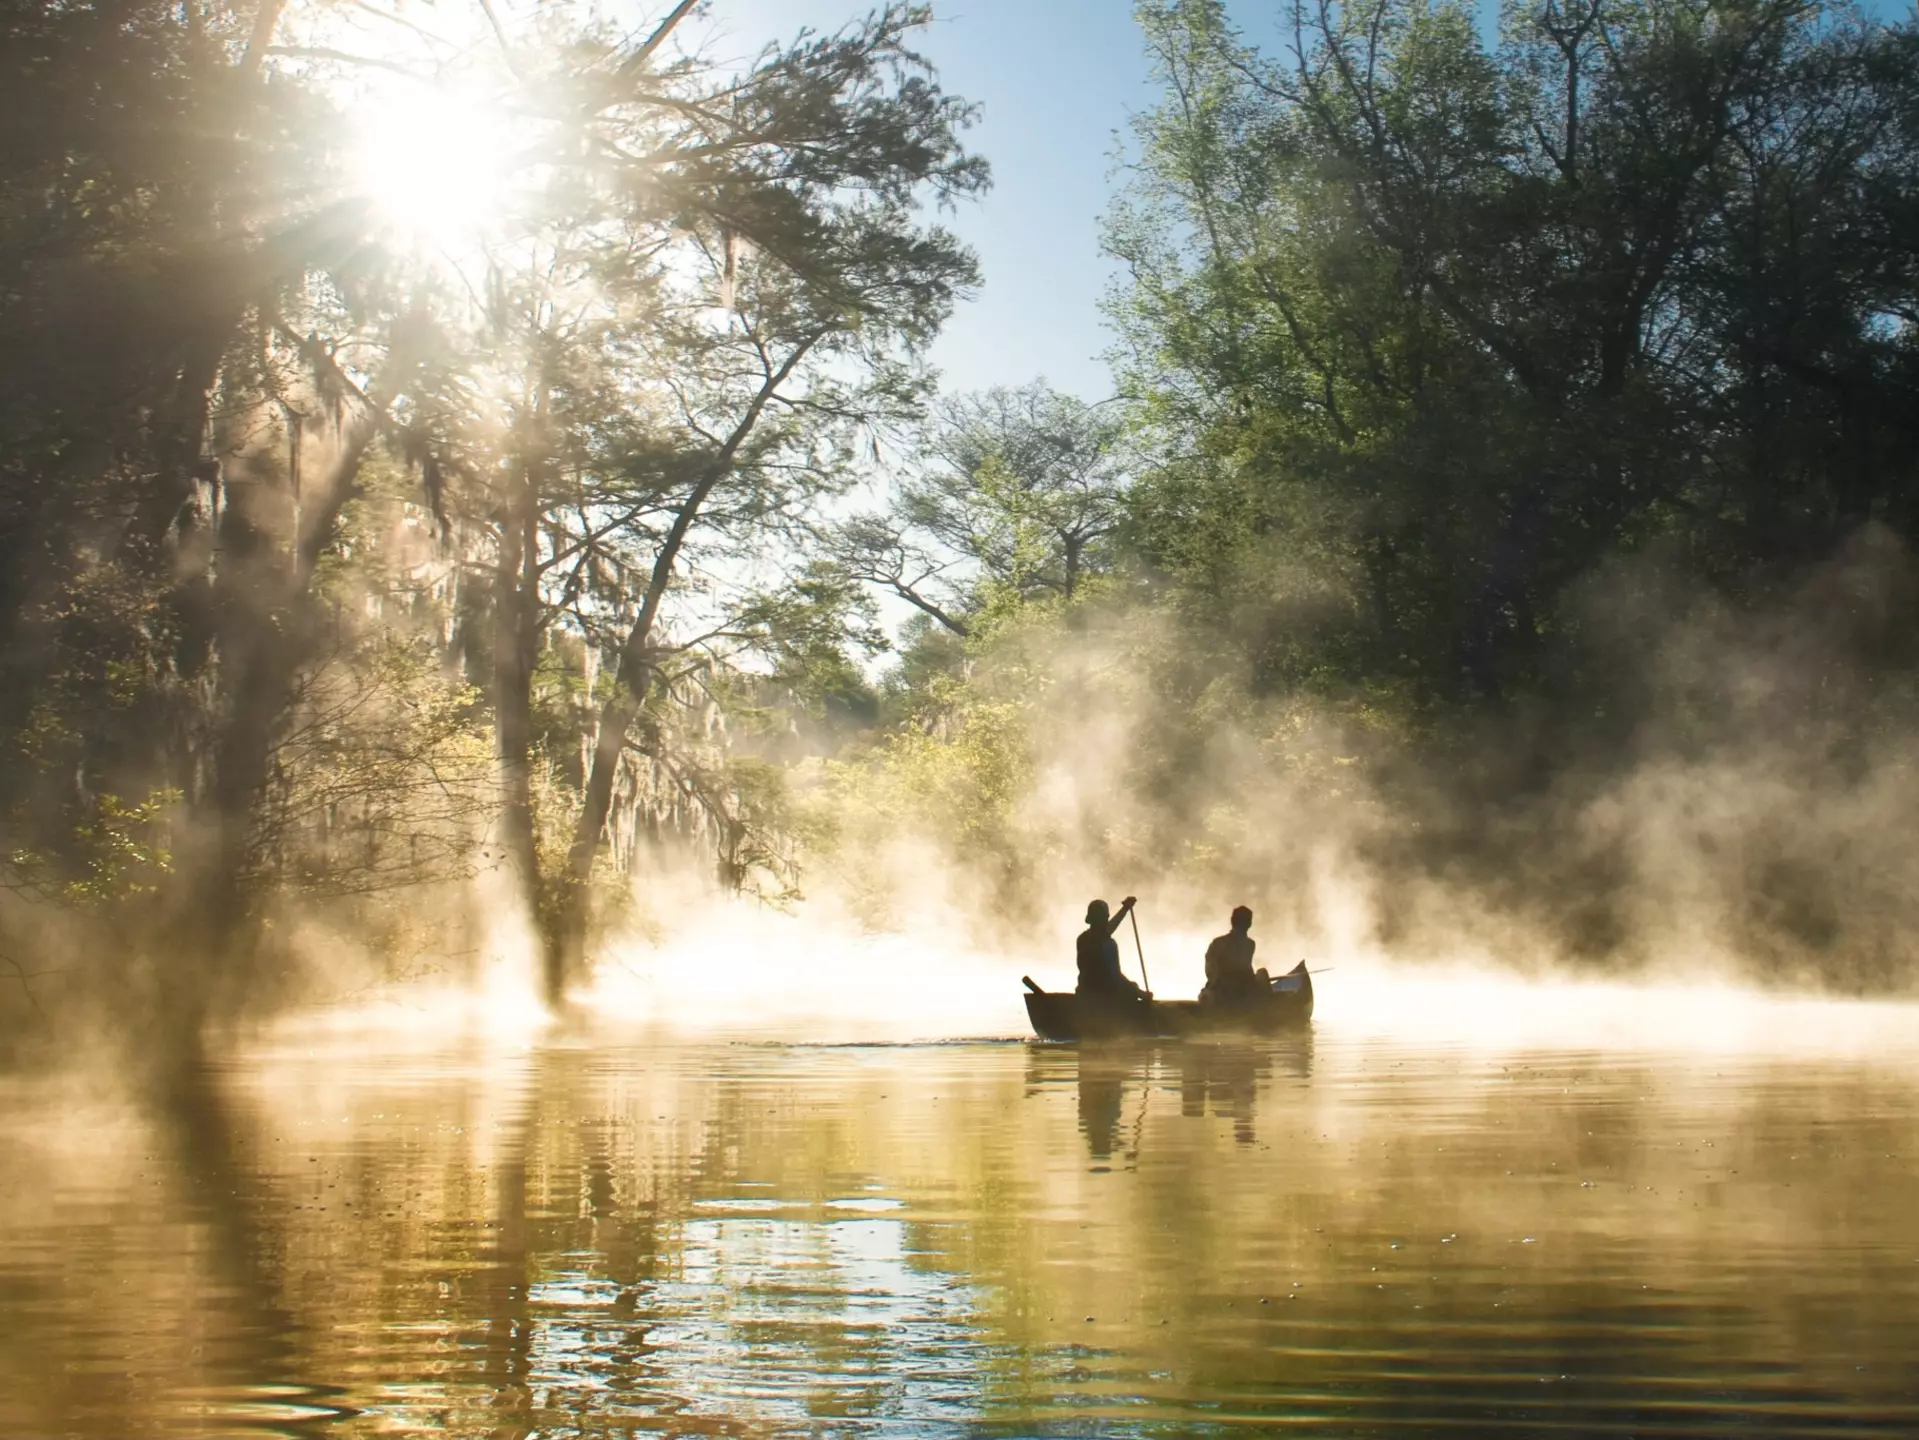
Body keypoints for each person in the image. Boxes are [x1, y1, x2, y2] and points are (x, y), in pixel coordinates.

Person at [1076, 896, 1146, 1002]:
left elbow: (1103, 933)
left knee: (1132, 987)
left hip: (1084, 991)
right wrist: (1140, 993)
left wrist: (1125, 909)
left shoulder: (1083, 939)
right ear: (1105, 919)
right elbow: (1116, 976)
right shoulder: (1108, 945)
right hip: (1104, 996)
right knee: (1132, 989)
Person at [1200, 905, 1269, 1007]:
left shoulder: (1220, 943)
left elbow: (1211, 969)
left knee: (1262, 973)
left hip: (1233, 990)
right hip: (1227, 991)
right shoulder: (1248, 944)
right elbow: (1213, 971)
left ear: (1232, 921)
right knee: (1262, 974)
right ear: (1249, 924)